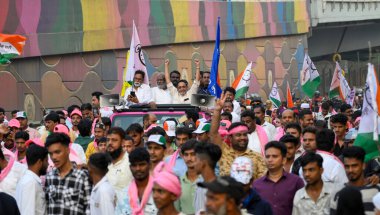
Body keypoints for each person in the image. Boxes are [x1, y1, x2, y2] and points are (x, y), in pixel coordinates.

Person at [209, 93, 267, 178]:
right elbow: (213, 134)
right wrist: (217, 111)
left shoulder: (257, 158)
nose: (242, 138)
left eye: (245, 135)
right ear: (230, 137)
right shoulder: (224, 152)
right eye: (238, 135)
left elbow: (261, 183)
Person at [45, 132, 91, 214]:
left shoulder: (83, 177)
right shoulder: (49, 177)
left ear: (68, 150)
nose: (54, 157)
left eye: (57, 152)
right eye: (51, 154)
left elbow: (89, 208)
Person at [253, 141, 304, 215]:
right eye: (267, 156)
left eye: (274, 156)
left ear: (284, 160)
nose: (270, 160)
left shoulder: (296, 182)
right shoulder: (257, 185)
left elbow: (303, 208)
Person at [331, 146, 380, 214]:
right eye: (347, 166)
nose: (350, 170)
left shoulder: (377, 190)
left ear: (363, 165)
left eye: (354, 166)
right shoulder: (337, 193)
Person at [116, 147, 158, 215]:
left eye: (142, 164)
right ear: (130, 167)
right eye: (134, 165)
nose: (138, 168)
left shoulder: (161, 192)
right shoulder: (123, 194)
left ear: (149, 165)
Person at [15, 143, 48, 215]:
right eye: (46, 161)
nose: (48, 164)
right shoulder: (31, 183)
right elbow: (27, 212)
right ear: (40, 162)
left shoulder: (28, 180)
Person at [193, 143, 222, 214]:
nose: (193, 162)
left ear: (203, 163)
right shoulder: (200, 185)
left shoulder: (216, 189)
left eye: (196, 159)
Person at [106, 127, 133, 201]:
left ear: (123, 142)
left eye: (114, 140)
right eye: (108, 140)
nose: (110, 143)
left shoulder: (131, 162)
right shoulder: (104, 162)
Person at [175, 140, 199, 214]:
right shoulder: (178, 183)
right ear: (182, 156)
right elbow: (176, 210)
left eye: (193, 154)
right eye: (186, 155)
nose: (189, 158)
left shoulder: (207, 181)